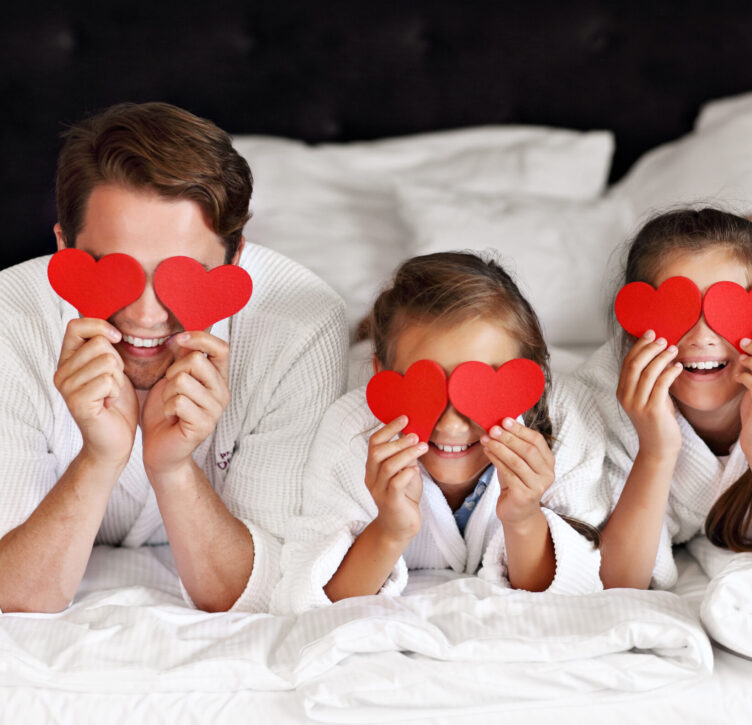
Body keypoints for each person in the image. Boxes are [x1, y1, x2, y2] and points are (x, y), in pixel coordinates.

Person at [0, 102, 347, 612]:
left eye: (179, 275)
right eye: (114, 269)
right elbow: (16, 596)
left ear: (235, 258)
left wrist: (174, 468)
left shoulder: (301, 328)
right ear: (62, 248)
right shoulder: (10, 320)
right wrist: (99, 459)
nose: (144, 317)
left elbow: (260, 594)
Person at [275, 252, 604, 612]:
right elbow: (304, 600)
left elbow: (582, 587)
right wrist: (390, 528)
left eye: (478, 392)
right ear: (381, 373)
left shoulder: (567, 423)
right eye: (424, 391)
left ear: (521, 385)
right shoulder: (350, 433)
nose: (450, 425)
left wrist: (523, 516)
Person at [574, 208, 752, 590]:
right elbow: (617, 581)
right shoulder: (599, 396)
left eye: (727, 311)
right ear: (634, 328)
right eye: (677, 312)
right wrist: (655, 452)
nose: (701, 337)